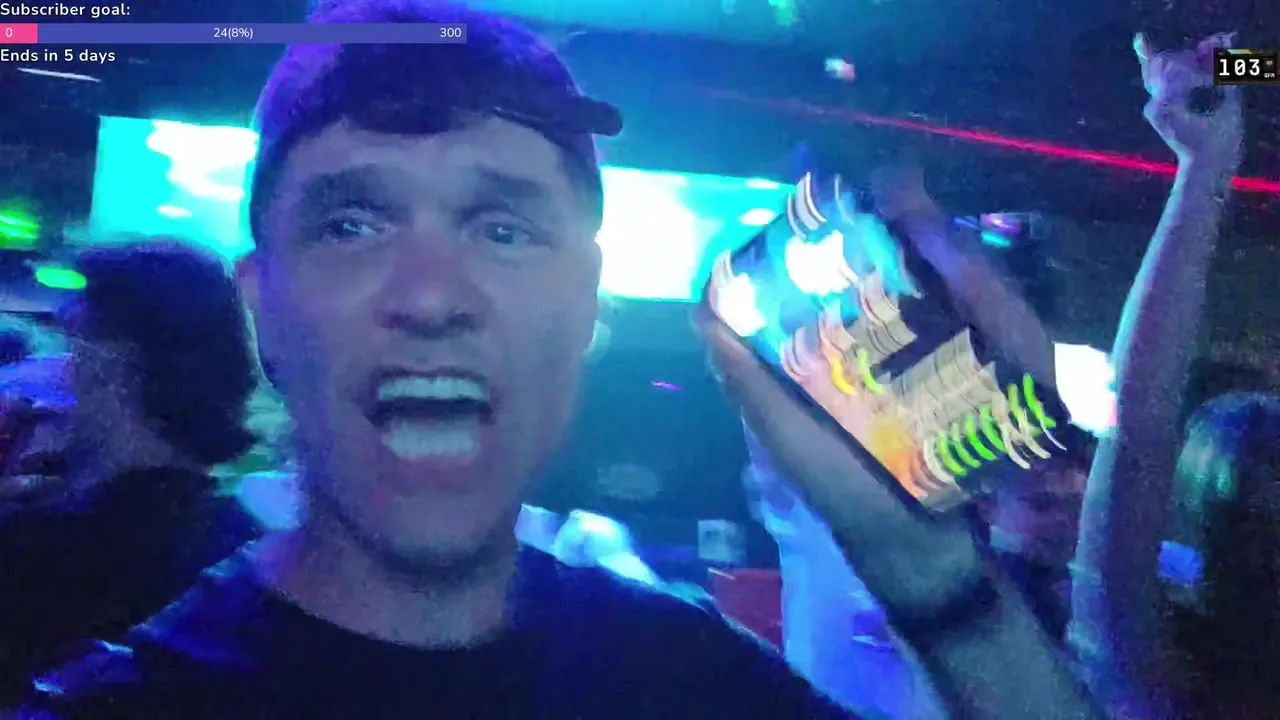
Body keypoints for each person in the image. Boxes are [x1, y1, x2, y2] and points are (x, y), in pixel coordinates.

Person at [11, 3, 1100, 718]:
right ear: (264, 309)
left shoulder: (693, 689)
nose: (430, 295)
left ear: (587, 308)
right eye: (352, 224)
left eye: (503, 227)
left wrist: (936, 578)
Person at [1069, 32, 1272, 720]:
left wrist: (1205, 165)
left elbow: (1138, 437)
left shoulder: (1158, 674)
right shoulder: (1166, 680)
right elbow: (1137, 437)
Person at [0, 240, 261, 703]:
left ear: (111, 362)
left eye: (72, 346)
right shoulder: (242, 553)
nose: (55, 372)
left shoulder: (52, 549)